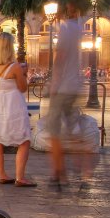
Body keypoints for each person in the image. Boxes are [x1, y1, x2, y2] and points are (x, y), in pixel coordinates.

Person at [0, 33, 35, 187]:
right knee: (24, 140)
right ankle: (20, 177)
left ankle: (2, 175)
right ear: (10, 48)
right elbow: (22, 88)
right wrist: (24, 73)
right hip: (13, 105)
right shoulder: (14, 67)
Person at [46, 16, 83, 191]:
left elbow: (60, 57)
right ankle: (82, 170)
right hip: (74, 87)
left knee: (53, 130)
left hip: (61, 88)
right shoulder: (78, 27)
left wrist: (54, 83)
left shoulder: (65, 29)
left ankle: (60, 173)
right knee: (72, 127)